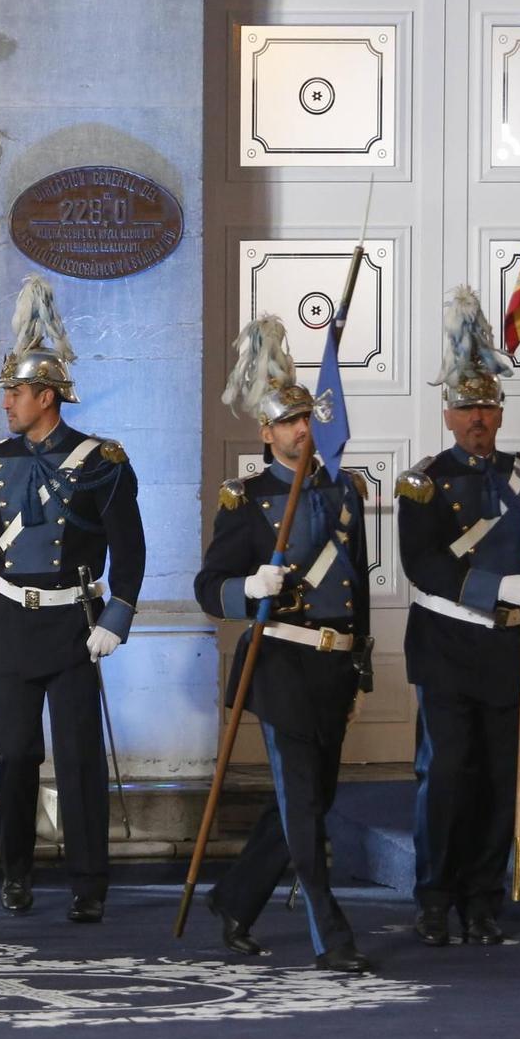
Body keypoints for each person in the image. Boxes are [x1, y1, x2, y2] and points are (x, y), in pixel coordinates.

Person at [0, 276, 144, 922]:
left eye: (16, 391)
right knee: (16, 757)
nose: (5, 402)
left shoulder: (102, 461)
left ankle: (88, 880)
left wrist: (118, 614)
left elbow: (132, 548)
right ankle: (16, 870)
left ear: (47, 396)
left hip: (72, 625)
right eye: (6, 391)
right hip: (9, 623)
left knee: (80, 758)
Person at [398, 287, 520, 947]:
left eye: (488, 406)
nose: (478, 417)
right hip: (446, 643)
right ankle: (434, 898)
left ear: (501, 411)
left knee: (501, 777)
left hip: (508, 646)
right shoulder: (423, 482)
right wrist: (501, 581)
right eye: (466, 406)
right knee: (446, 773)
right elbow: (424, 565)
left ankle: (481, 899)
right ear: (447, 412)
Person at [195, 314, 373, 973]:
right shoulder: (244, 501)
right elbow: (207, 587)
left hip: (331, 666)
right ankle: (332, 934)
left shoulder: (344, 492)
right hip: (280, 664)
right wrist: (250, 582)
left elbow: (359, 586)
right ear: (266, 432)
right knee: (304, 805)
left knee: (312, 800)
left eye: (307, 418)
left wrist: (361, 666)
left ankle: (236, 900)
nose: (303, 429)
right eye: (289, 422)